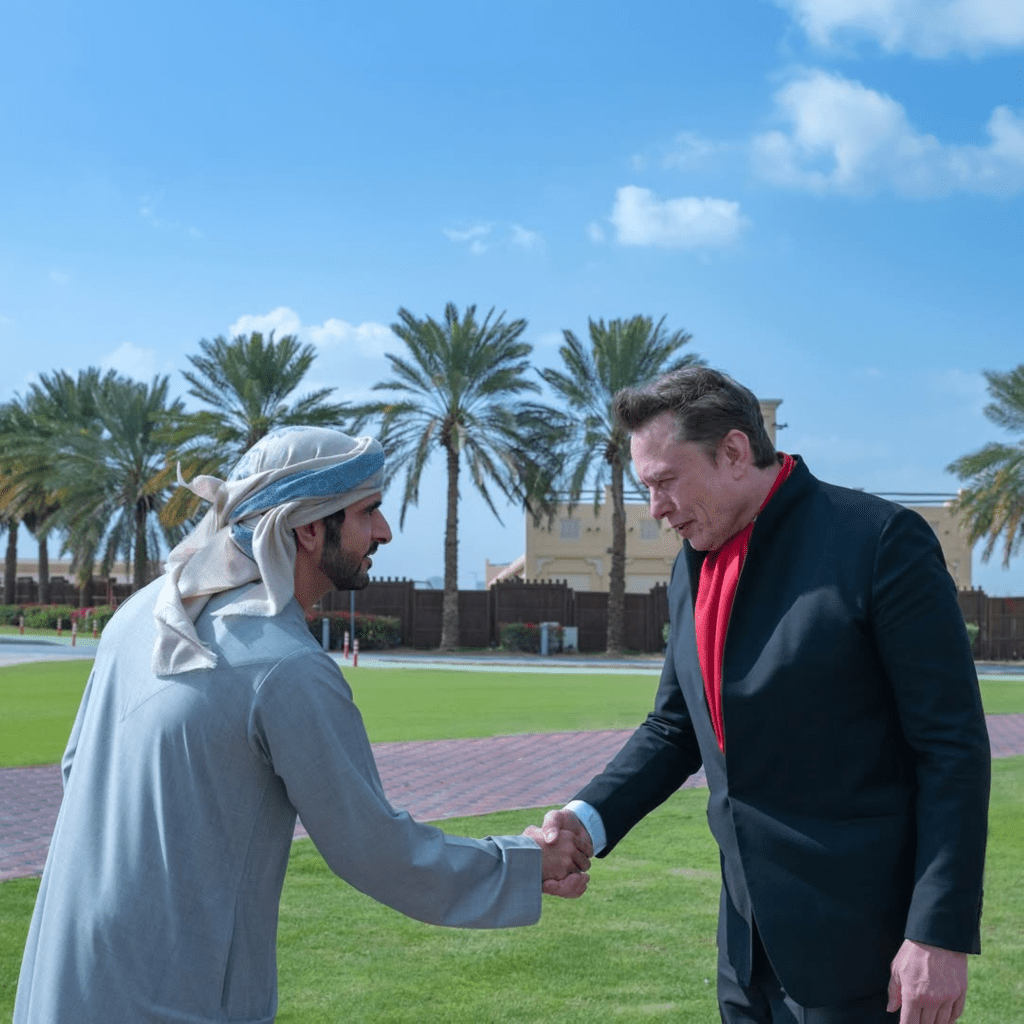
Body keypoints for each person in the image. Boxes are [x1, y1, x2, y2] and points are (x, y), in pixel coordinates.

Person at [15, 426, 590, 1024]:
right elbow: (377, 851)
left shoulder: (140, 614)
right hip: (174, 1003)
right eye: (368, 511)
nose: (384, 531)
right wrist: (525, 862)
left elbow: (77, 771)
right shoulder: (285, 666)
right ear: (309, 528)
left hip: (59, 985)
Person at [540, 368, 991, 1023]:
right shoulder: (691, 563)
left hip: (867, 952)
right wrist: (586, 819)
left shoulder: (878, 542)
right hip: (744, 950)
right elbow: (675, 727)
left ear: (733, 451)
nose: (655, 508)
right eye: (646, 489)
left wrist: (938, 933)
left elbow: (950, 747)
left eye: (665, 482)